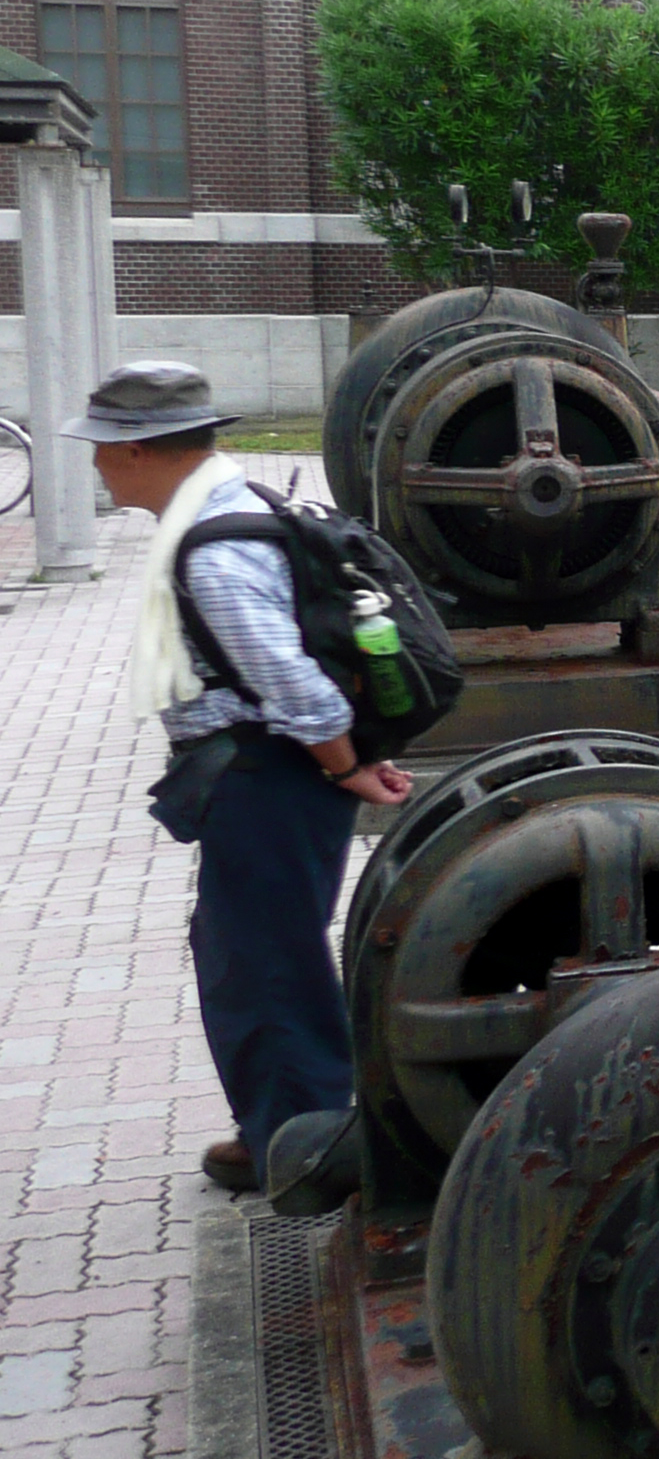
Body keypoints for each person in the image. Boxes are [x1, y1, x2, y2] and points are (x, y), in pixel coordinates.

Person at [69, 362, 413, 1195]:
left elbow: (292, 682)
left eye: (103, 451)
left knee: (264, 966)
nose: (94, 465)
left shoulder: (213, 550)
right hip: (276, 774)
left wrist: (348, 765)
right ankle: (286, 1127)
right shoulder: (240, 504)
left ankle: (309, 1150)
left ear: (140, 450)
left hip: (269, 778)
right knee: (252, 954)